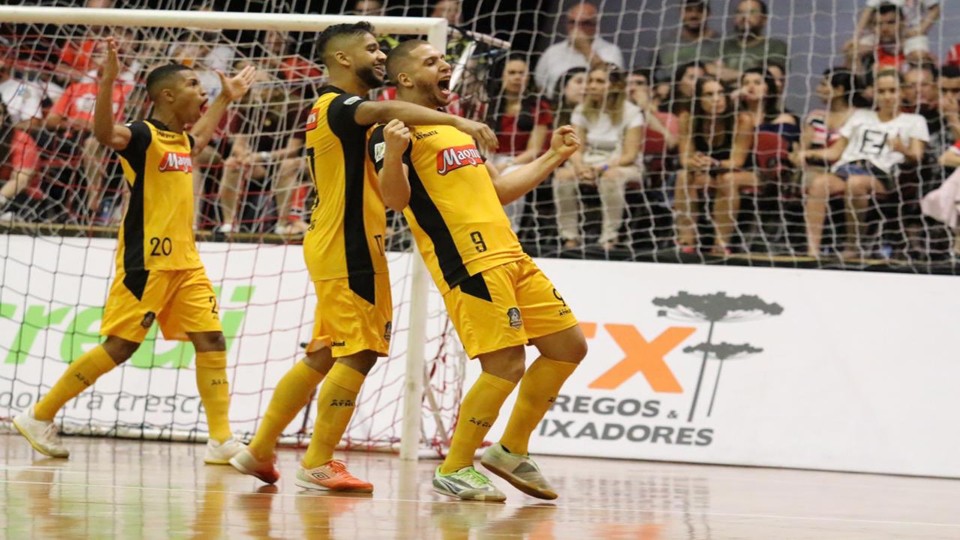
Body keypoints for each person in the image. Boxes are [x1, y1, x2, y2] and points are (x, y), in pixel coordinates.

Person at [227, 22, 497, 493]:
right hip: (350, 243)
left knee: (324, 353)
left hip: (335, 240)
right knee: (360, 351)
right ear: (343, 59)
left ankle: (259, 448)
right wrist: (458, 121)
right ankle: (318, 461)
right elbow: (385, 106)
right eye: (372, 49)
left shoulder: (338, 111)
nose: (380, 57)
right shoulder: (340, 105)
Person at [12, 37, 257, 461]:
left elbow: (197, 142)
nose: (203, 91)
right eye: (194, 85)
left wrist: (224, 101)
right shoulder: (143, 135)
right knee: (121, 347)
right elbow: (105, 133)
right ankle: (39, 415)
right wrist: (108, 80)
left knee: (212, 339)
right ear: (166, 94)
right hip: (147, 260)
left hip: (186, 262)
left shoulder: (180, 140)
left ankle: (220, 439)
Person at [372, 39, 588, 502]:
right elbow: (394, 200)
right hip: (467, 261)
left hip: (511, 254)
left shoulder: (460, 130)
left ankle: (511, 450)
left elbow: (500, 191)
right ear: (405, 79)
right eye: (431, 61)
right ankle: (455, 467)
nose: (444, 64)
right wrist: (392, 153)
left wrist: (552, 157)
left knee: (568, 347)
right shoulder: (390, 128)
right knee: (506, 363)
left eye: (443, 58)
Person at [794, 70, 928, 258]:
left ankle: (853, 244)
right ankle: (812, 250)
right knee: (819, 183)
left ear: (902, 92)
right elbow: (836, 151)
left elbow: (917, 156)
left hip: (882, 173)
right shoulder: (861, 116)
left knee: (856, 183)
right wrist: (809, 153)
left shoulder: (914, 121)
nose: (887, 96)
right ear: (874, 92)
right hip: (848, 167)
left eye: (892, 91)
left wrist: (901, 149)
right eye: (881, 91)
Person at [554, 64, 644, 250]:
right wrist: (579, 167)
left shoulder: (632, 113)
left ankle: (609, 237)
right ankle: (569, 236)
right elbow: (575, 148)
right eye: (590, 81)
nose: (591, 86)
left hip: (622, 165)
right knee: (563, 176)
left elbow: (630, 155)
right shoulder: (580, 110)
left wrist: (601, 168)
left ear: (615, 86)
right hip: (588, 161)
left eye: (599, 81)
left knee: (611, 177)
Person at [674, 75, 754, 254]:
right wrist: (695, 162)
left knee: (727, 178)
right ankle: (686, 239)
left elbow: (738, 161)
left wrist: (714, 163)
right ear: (698, 99)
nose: (716, 99)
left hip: (746, 172)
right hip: (708, 171)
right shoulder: (688, 117)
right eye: (709, 94)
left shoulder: (742, 119)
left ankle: (721, 243)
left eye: (720, 93)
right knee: (682, 175)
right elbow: (684, 158)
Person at [486, 55, 553, 231]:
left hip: (521, 160)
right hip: (489, 158)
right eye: (512, 72)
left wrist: (506, 164)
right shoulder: (487, 105)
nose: (517, 77)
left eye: (521, 73)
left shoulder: (538, 107)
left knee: (510, 177)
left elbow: (534, 151)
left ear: (528, 77)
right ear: (502, 76)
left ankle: (509, 231)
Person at [535, 2, 624, 100]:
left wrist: (586, 50)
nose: (577, 28)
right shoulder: (552, 52)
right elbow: (540, 86)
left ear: (595, 26)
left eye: (585, 23)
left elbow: (615, 82)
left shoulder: (611, 51)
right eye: (573, 22)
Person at [716, 0, 787, 84]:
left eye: (751, 12)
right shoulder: (723, 45)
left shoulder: (775, 46)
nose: (744, 17)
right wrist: (754, 73)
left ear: (764, 19)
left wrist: (733, 74)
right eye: (739, 12)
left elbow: (771, 76)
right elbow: (712, 70)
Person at [653, 0, 720, 83]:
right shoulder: (665, 45)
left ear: (708, 13)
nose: (694, 15)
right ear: (681, 12)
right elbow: (650, 74)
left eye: (700, 10)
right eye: (688, 10)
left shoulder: (722, 43)